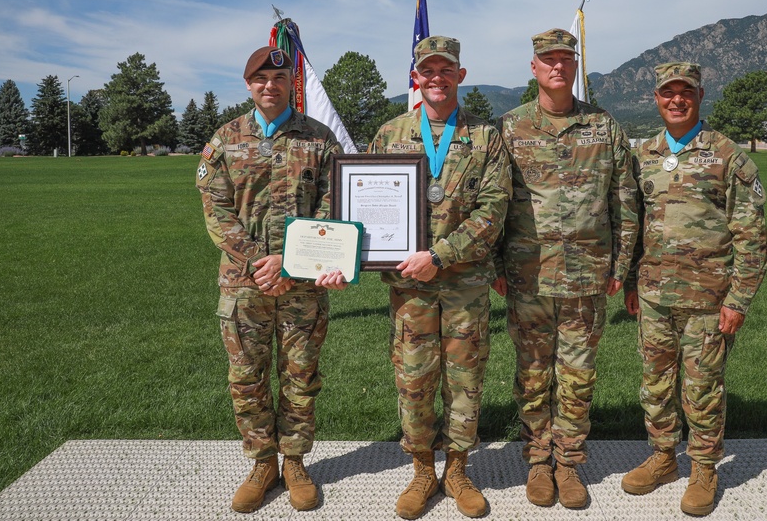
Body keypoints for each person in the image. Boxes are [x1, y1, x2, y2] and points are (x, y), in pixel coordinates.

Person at [196, 45, 347, 513]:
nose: (269, 86)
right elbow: (216, 213)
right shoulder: (224, 140)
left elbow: (334, 203)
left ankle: (295, 461)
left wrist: (291, 261)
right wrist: (263, 262)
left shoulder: (319, 139)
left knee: (300, 377)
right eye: (260, 79)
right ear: (248, 84)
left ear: (289, 85)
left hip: (303, 286)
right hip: (244, 286)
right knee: (247, 378)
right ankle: (262, 462)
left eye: (278, 79)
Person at [494, 28, 638, 509]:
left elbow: (624, 199)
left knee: (577, 376)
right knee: (533, 372)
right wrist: (496, 265)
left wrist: (621, 262)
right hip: (527, 275)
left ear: (576, 67)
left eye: (565, 59)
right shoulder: (509, 128)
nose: (557, 66)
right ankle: (538, 460)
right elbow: (492, 205)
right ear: (533, 67)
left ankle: (569, 463)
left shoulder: (604, 126)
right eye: (547, 59)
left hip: (586, 276)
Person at [369, 35, 511, 519]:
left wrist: (441, 254)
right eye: (427, 70)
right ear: (416, 77)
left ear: (460, 75)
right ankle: (422, 470)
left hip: (465, 284)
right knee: (414, 379)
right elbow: (364, 204)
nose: (435, 78)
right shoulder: (389, 134)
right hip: (410, 289)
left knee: (465, 380)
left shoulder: (487, 138)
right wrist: (355, 250)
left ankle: (457, 469)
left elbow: (493, 211)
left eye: (444, 69)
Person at [622, 62, 767, 517]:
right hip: (652, 296)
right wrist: (629, 281)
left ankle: (704, 467)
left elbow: (751, 235)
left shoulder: (728, 155)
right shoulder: (642, 154)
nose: (677, 100)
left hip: (709, 300)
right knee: (655, 384)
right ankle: (665, 457)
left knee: (702, 386)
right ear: (656, 97)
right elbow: (632, 223)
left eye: (686, 92)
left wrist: (739, 299)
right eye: (669, 92)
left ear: (701, 96)